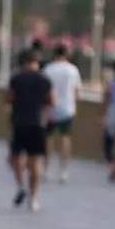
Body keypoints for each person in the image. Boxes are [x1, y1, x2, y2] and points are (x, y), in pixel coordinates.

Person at [6, 49, 54, 211]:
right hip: (37, 124)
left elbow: (9, 99)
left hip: (19, 123)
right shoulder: (44, 80)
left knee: (14, 158)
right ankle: (33, 198)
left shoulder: (16, 79)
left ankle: (21, 187)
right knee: (35, 163)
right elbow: (52, 101)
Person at [42, 45, 82, 183]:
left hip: (51, 108)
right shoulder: (73, 70)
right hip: (67, 108)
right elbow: (77, 91)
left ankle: (47, 169)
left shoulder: (48, 69)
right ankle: (64, 171)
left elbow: (44, 90)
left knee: (48, 138)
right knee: (65, 138)